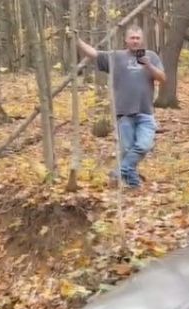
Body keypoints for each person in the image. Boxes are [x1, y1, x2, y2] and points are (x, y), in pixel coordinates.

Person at [73, 26, 166, 188]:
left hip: (145, 112)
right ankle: (133, 185)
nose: (135, 40)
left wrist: (148, 65)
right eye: (132, 38)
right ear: (126, 40)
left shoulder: (151, 56)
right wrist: (77, 40)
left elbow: (163, 78)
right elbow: (94, 54)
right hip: (124, 113)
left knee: (145, 145)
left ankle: (118, 172)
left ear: (142, 39)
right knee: (127, 150)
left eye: (138, 38)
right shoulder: (116, 57)